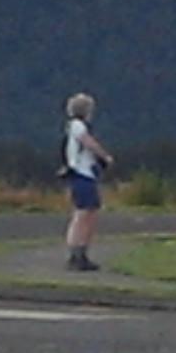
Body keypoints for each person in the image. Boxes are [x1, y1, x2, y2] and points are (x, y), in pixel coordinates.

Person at [62, 92, 112, 271]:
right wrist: (104, 156)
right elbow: (88, 142)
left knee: (89, 213)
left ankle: (81, 252)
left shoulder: (74, 126)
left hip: (85, 174)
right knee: (83, 214)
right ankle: (76, 253)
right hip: (82, 175)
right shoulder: (78, 126)